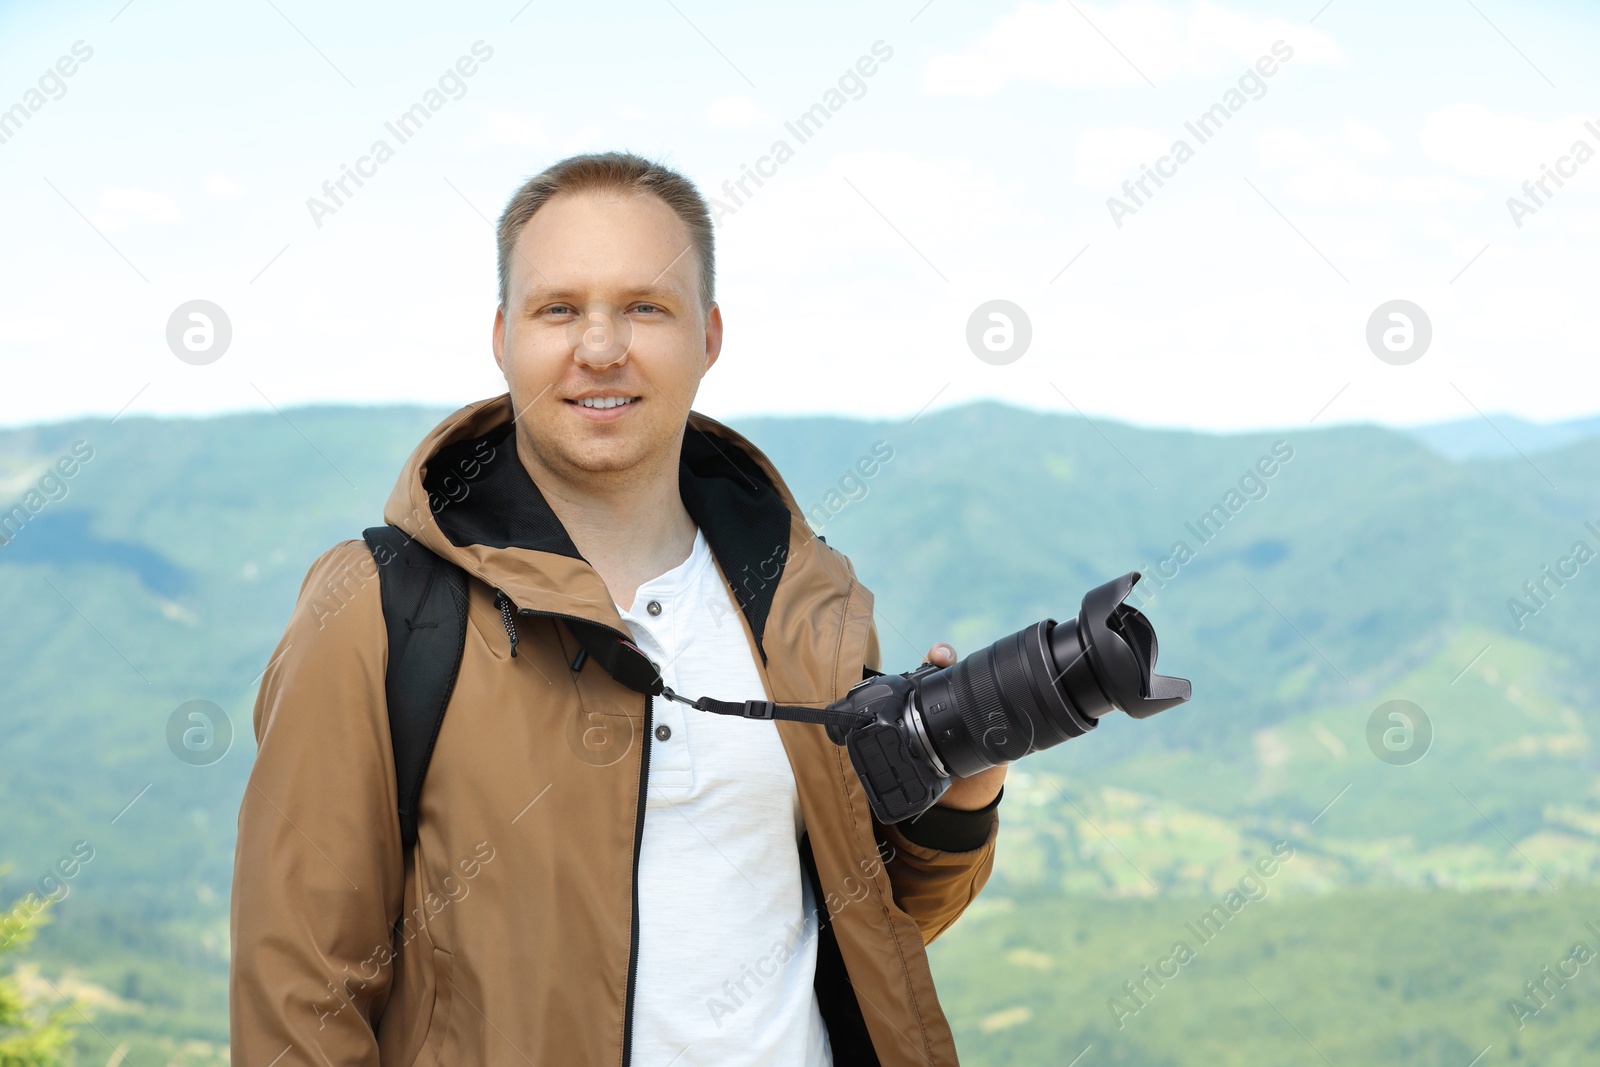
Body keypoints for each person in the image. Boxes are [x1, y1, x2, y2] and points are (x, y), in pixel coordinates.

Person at [229, 150, 1006, 1066]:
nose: (600, 347)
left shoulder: (803, 600)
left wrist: (962, 797)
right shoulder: (380, 607)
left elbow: (864, 923)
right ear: (502, 335)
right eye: (559, 308)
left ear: (709, 336)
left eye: (646, 306)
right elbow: (301, 999)